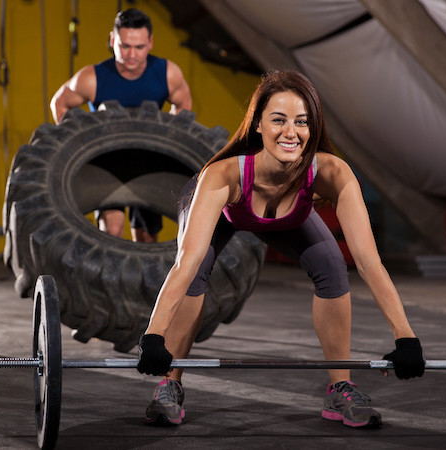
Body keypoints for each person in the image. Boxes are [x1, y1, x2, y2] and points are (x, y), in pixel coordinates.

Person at [136, 70, 425, 428]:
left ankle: (340, 387)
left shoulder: (333, 173)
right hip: (227, 209)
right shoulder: (222, 176)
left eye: (302, 122)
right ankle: (170, 385)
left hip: (288, 215)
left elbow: (368, 261)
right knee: (195, 271)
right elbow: (185, 262)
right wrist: (153, 336)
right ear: (257, 124)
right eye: (279, 120)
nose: (291, 132)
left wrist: (405, 336)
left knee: (333, 266)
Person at [50, 8, 192, 243]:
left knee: (146, 238)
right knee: (112, 231)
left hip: (148, 163)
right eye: (125, 46)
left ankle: (144, 280)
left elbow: (183, 108)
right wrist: (82, 143)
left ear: (150, 42)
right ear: (113, 40)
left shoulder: (167, 73)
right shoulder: (93, 77)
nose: (132, 55)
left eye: (139, 47)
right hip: (107, 165)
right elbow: (60, 104)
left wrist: (165, 141)